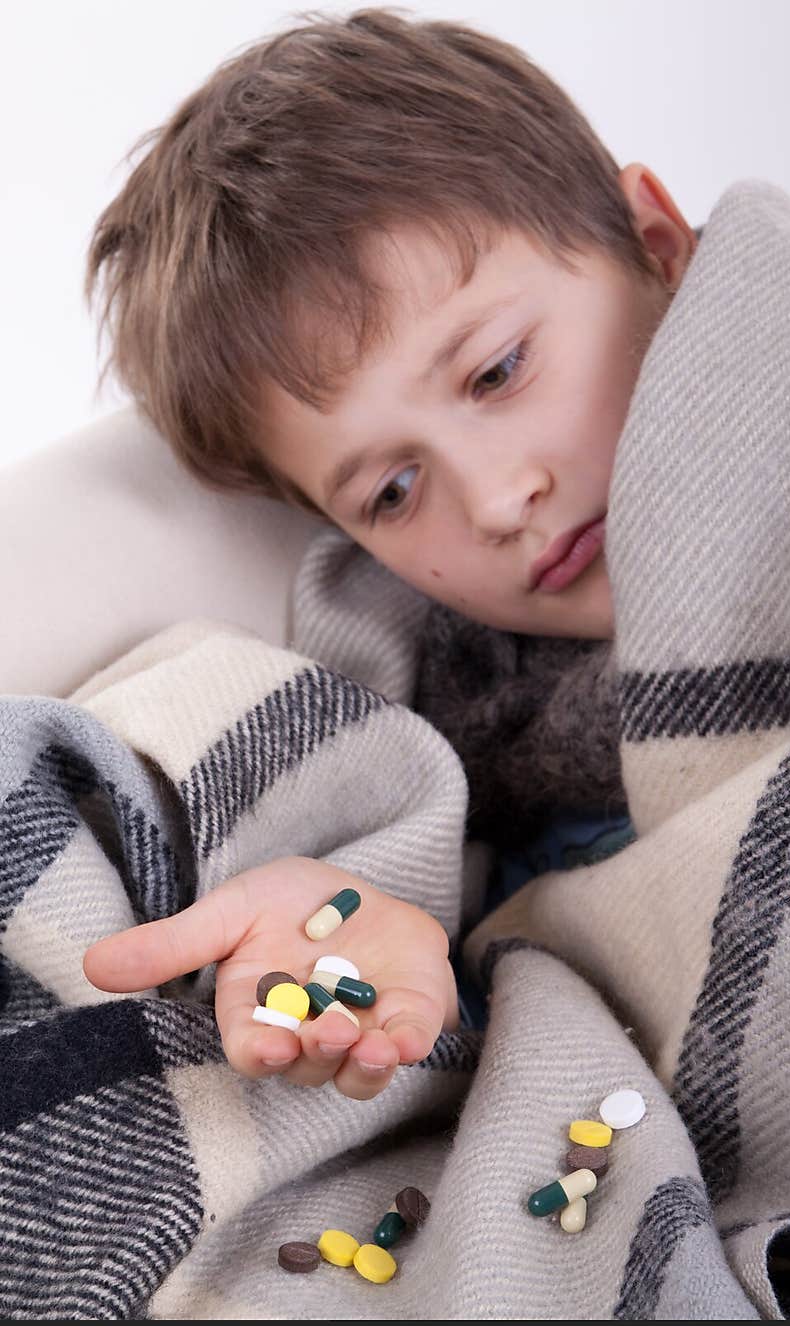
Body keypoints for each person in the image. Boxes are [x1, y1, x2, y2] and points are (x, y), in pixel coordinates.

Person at [81, 6, 698, 1098]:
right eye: (395, 489)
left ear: (655, 247)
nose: (503, 500)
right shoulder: (472, 774)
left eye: (499, 371)